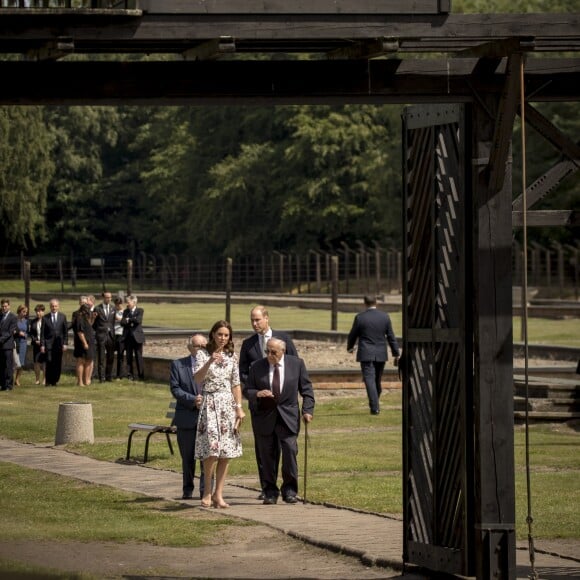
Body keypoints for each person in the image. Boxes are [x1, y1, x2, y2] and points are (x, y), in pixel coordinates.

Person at [244, 337, 315, 505]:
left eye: (273, 352)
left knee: (290, 452)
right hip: (264, 417)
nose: (269, 355)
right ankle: (270, 491)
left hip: (288, 417)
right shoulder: (257, 366)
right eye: (267, 351)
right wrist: (257, 394)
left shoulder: (296, 364)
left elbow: (307, 389)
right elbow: (247, 390)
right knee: (267, 456)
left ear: (282, 351)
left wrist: (307, 411)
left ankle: (290, 490)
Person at [239, 305, 298, 499]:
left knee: (288, 449)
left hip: (284, 408)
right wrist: (256, 388)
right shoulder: (248, 345)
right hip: (262, 408)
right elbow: (243, 373)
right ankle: (268, 489)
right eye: (252, 321)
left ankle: (289, 490)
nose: (254, 324)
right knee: (264, 452)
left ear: (266, 318)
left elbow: (294, 366)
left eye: (257, 320)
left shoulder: (284, 339)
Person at [194, 320, 245, 509]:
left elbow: (236, 383)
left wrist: (239, 407)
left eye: (226, 335)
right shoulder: (202, 353)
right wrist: (209, 361)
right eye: (219, 334)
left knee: (226, 452)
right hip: (210, 404)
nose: (222, 338)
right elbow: (198, 378)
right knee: (212, 450)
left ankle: (219, 494)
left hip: (227, 406)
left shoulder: (232, 357)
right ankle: (207, 491)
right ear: (213, 334)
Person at [346, 295, 400, 415]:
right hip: (381, 353)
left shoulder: (360, 317)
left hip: (366, 353)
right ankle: (375, 403)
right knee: (376, 380)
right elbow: (391, 337)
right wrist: (396, 353)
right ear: (376, 302)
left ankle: (375, 407)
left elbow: (352, 334)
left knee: (370, 380)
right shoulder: (385, 317)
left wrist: (350, 347)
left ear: (364, 303)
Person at [170, 333, 208, 500]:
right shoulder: (178, 365)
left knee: (206, 456)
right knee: (188, 457)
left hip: (208, 417)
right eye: (198, 346)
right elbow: (175, 389)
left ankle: (205, 491)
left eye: (204, 346)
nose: (201, 349)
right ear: (190, 347)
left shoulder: (212, 364)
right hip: (186, 417)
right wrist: (193, 400)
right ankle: (187, 489)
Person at [40, 298, 69, 387]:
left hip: (59, 344)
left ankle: (55, 380)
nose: (54, 308)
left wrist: (65, 343)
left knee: (57, 362)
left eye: (55, 306)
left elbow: (65, 332)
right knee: (49, 361)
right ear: (50, 307)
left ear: (58, 307)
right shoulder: (45, 318)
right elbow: (42, 333)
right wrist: (42, 345)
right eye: (52, 306)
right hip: (48, 344)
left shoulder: (62, 317)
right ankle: (48, 380)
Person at [121, 295, 145, 381]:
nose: (127, 304)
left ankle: (141, 375)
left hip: (137, 338)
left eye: (129, 302)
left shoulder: (140, 310)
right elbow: (122, 323)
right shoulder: (125, 311)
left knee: (139, 357)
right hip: (128, 338)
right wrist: (131, 320)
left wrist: (128, 320)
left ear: (134, 302)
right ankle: (130, 375)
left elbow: (138, 320)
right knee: (129, 357)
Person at [94, 291, 115, 382]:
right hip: (101, 336)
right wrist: (99, 332)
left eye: (110, 297)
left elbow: (112, 322)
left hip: (111, 336)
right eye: (107, 297)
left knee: (111, 357)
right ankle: (101, 378)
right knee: (101, 358)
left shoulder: (113, 308)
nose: (108, 299)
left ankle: (108, 376)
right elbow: (94, 324)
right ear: (103, 298)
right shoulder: (97, 308)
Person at [72, 303, 96, 386]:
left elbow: (89, 326)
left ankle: (86, 380)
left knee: (89, 360)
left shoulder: (86, 318)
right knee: (81, 361)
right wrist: (84, 343)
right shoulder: (79, 318)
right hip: (83, 342)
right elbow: (80, 332)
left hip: (90, 341)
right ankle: (80, 381)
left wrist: (93, 318)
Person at [0, 298, 18, 391]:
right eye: (2, 306)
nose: (4, 308)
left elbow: (10, 332)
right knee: (1, 366)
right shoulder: (0, 316)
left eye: (5, 306)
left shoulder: (13, 317)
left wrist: (1, 339)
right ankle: (2, 384)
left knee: (8, 366)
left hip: (7, 345)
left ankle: (8, 385)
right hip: (0, 346)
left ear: (9, 306)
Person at [29, 304, 46, 385]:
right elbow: (31, 333)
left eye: (39, 311)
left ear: (43, 311)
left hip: (45, 345)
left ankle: (45, 379)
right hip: (36, 345)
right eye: (37, 312)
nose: (38, 313)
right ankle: (37, 379)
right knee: (36, 362)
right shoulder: (33, 321)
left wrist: (43, 341)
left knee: (44, 362)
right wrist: (35, 340)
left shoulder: (47, 321)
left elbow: (49, 333)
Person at [14, 304, 30, 387]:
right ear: (19, 311)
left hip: (23, 343)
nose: (25, 313)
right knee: (15, 363)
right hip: (15, 342)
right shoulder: (14, 320)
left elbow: (28, 332)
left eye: (26, 312)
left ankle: (17, 380)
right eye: (23, 312)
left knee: (22, 363)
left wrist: (25, 335)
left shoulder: (26, 321)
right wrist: (17, 332)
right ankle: (10, 378)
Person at [113, 297, 126, 379]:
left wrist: (119, 319)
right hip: (114, 334)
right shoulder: (113, 311)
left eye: (119, 304)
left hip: (121, 334)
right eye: (116, 305)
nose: (118, 306)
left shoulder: (125, 312)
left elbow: (126, 321)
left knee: (120, 356)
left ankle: (119, 375)